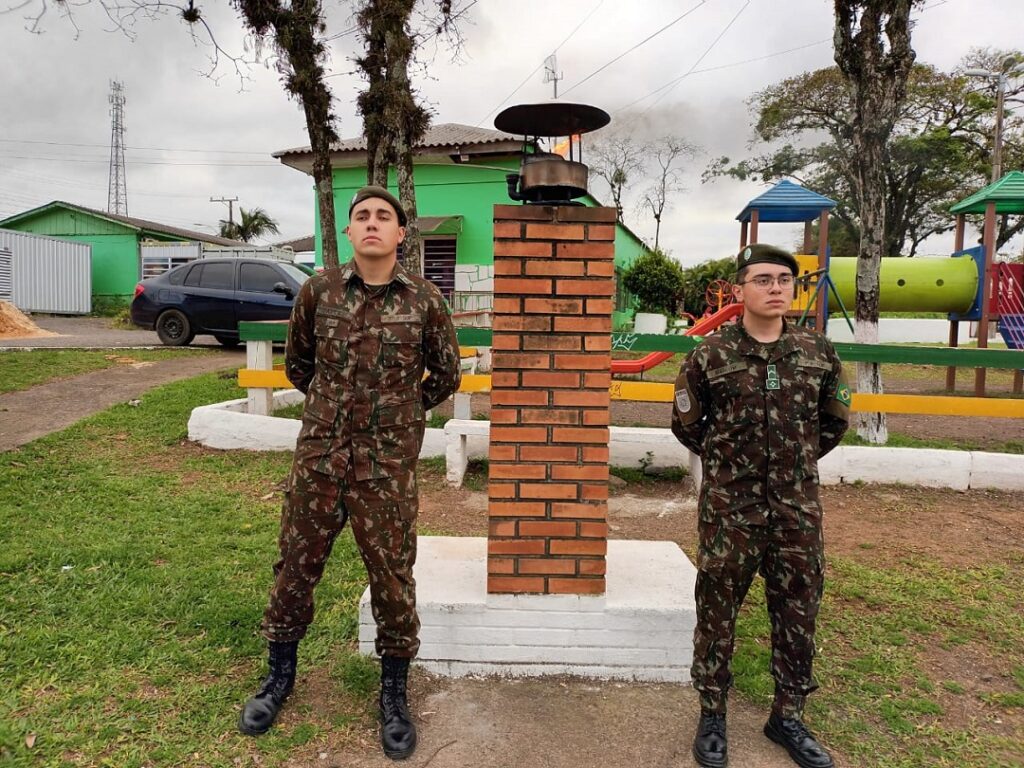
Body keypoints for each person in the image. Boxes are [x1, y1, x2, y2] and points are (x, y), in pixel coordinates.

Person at [238, 185, 462, 761]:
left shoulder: (426, 301)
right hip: (320, 461)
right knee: (295, 567)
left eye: (383, 217)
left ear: (401, 233)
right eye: (361, 216)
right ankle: (278, 680)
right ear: (348, 231)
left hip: (385, 470)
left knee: (392, 576)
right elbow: (299, 366)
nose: (370, 224)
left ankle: (394, 694)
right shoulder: (318, 292)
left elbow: (445, 375)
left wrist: (399, 419)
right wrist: (334, 416)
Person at [671, 243, 851, 768]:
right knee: (717, 610)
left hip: (797, 511)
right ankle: (712, 713)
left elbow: (833, 421)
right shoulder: (711, 354)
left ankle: (788, 716)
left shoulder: (818, 353)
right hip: (731, 512)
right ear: (739, 290)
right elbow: (687, 423)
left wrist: (791, 463)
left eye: (784, 280)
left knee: (798, 609)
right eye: (763, 280)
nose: (776, 288)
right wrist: (734, 468)